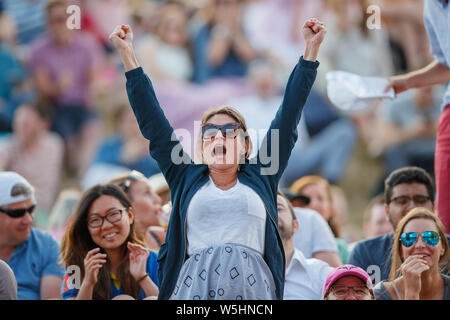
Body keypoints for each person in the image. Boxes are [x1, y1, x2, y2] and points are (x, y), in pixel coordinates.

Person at [109, 18, 327, 300]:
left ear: (246, 145)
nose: (220, 137)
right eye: (210, 132)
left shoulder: (263, 171)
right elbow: (154, 123)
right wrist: (128, 55)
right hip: (193, 294)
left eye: (229, 131)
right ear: (201, 146)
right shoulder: (184, 175)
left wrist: (310, 51)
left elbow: (289, 113)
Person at [383, 0, 450, 234]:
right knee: (445, 214)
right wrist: (408, 81)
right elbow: (446, 65)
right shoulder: (432, 7)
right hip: (448, 112)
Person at [348, 166, 450, 283]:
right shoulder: (364, 253)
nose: (412, 206)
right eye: (402, 201)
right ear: (387, 211)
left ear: (434, 208)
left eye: (420, 200)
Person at [59, 183, 159, 300]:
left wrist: (142, 277)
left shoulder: (152, 259)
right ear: (86, 227)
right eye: (95, 220)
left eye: (113, 214)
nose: (106, 225)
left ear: (130, 215)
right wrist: (88, 283)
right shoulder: (75, 266)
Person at [0, 171, 64, 299]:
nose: (28, 219)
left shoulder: (47, 245)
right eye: (17, 213)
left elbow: (52, 298)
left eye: (31, 210)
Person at [0, 103, 65, 226]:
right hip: (18, 211)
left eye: (26, 124)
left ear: (43, 124)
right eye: (17, 123)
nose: (20, 128)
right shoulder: (8, 146)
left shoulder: (54, 144)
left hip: (45, 211)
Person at [374, 207, 450, 299]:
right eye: (409, 238)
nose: (420, 245)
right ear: (401, 250)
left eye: (430, 237)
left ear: (442, 247)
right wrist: (411, 292)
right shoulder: (380, 295)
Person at [278, 190, 332, 299]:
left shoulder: (320, 273)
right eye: (266, 209)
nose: (272, 214)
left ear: (295, 225)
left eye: (279, 208)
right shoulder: (245, 274)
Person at [290, 175, 348, 264]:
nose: (314, 204)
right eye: (306, 199)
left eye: (320, 198)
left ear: (330, 207)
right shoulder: (285, 242)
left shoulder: (340, 248)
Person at [108, 170, 165, 252]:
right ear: (126, 205)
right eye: (147, 193)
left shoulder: (161, 235)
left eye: (153, 192)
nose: (158, 199)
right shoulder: (119, 251)